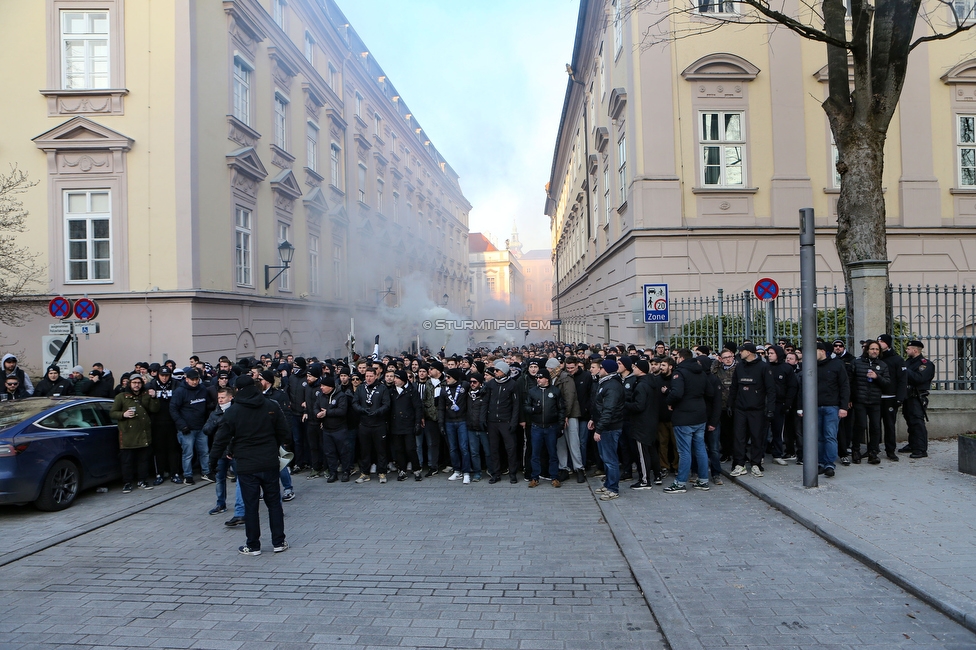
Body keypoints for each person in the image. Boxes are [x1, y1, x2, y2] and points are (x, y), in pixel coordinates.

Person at [210, 375, 290, 556]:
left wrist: (212, 461)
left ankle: (253, 545)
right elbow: (285, 433)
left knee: (251, 506)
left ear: (237, 390)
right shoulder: (271, 406)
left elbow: (220, 439)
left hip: (246, 465)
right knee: (274, 504)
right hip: (269, 462)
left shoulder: (233, 411)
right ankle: (279, 542)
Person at [664, 349, 716, 493]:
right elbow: (710, 392)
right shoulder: (701, 372)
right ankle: (703, 480)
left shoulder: (679, 372)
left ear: (680, 358)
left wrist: (669, 402)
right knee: (700, 448)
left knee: (684, 451)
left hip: (683, 416)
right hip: (700, 415)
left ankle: (680, 482)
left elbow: (677, 393)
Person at [797, 342, 850, 477]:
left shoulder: (837, 364)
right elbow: (803, 388)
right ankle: (820, 463)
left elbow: (844, 386)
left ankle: (829, 464)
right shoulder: (810, 366)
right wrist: (802, 407)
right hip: (814, 406)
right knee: (818, 437)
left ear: (822, 351)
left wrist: (843, 407)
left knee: (830, 436)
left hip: (832, 406)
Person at [728, 342, 775, 478]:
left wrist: (770, 409)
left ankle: (756, 464)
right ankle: (739, 464)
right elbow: (734, 387)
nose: (740, 353)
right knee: (739, 437)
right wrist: (731, 404)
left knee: (757, 437)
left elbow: (771, 390)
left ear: (748, 352)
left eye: (742, 351)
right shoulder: (739, 367)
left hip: (757, 409)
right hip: (741, 408)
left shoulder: (763, 367)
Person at [109, 374, 159, 493]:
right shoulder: (121, 397)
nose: (137, 385)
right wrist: (123, 414)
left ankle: (143, 480)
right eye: (134, 383)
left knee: (143, 460)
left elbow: (154, 409)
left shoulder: (145, 395)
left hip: (143, 434)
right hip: (128, 435)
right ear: (129, 383)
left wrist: (154, 398)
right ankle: (127, 483)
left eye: (139, 383)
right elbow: (112, 413)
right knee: (127, 462)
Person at [169, 368, 215, 485]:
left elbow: (207, 405)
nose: (195, 382)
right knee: (188, 453)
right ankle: (188, 475)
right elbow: (173, 409)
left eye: (196, 379)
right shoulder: (180, 392)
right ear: (186, 379)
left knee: (204, 451)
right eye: (192, 379)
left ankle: (206, 471)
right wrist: (182, 425)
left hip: (201, 427)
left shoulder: (202, 389)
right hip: (186, 429)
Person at [851, 340, 892, 464]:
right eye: (872, 349)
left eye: (877, 349)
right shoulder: (856, 363)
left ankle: (873, 452)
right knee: (860, 425)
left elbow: (887, 383)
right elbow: (850, 381)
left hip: (875, 401)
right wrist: (850, 399)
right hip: (860, 400)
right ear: (867, 350)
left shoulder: (883, 365)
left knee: (875, 427)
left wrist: (877, 377)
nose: (874, 351)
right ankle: (856, 450)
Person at [590, 359, 625, 500]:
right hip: (604, 426)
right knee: (605, 457)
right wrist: (594, 419)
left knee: (610, 459)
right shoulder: (605, 383)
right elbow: (599, 405)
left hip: (610, 428)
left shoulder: (612, 386)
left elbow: (608, 410)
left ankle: (613, 489)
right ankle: (608, 483)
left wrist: (599, 429)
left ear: (606, 370)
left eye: (600, 368)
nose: (597, 370)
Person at [524, 371, 564, 488]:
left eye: (540, 377)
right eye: (537, 378)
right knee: (535, 453)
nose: (538, 379)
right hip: (536, 426)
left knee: (552, 453)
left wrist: (560, 425)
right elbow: (526, 406)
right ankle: (534, 477)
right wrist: (533, 409)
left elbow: (561, 408)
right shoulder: (532, 392)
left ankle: (554, 477)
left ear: (547, 379)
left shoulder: (555, 391)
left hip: (551, 426)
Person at [484, 359, 522, 484]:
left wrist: (514, 422)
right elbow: (486, 402)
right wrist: (483, 418)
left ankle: (512, 473)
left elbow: (516, 405)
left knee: (510, 448)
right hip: (492, 421)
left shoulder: (513, 384)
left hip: (506, 421)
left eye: (497, 370)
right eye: (495, 370)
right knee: (494, 448)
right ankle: (496, 473)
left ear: (504, 372)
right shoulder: (491, 384)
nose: (495, 372)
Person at [352, 367, 391, 483]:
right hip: (364, 424)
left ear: (376, 376)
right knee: (364, 450)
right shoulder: (360, 388)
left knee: (381, 450)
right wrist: (362, 410)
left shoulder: (382, 388)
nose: (368, 378)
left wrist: (377, 412)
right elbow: (354, 403)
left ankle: (382, 473)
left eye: (370, 376)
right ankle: (365, 473)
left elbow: (387, 404)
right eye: (366, 376)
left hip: (379, 424)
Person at [203, 385, 235, 514]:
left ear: (230, 398)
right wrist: (216, 422)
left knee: (241, 478)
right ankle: (220, 503)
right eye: (219, 398)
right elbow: (206, 430)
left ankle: (244, 503)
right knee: (220, 478)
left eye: (223, 397)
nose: (220, 400)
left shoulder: (235, 411)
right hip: (220, 450)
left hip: (234, 450)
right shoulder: (215, 413)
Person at [147, 366, 182, 485]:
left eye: (167, 375)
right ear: (158, 375)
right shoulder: (151, 385)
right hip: (157, 424)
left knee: (173, 449)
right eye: (162, 375)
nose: (164, 378)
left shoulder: (176, 385)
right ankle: (160, 474)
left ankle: (175, 473)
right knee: (159, 450)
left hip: (172, 423)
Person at [901, 340, 935, 458]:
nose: (906, 350)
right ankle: (912, 444)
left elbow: (919, 378)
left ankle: (921, 449)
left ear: (915, 350)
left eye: (908, 349)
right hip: (908, 396)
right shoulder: (908, 362)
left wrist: (905, 370)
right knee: (910, 421)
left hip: (917, 397)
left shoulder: (925, 364)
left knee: (917, 422)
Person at [877, 334, 908, 461]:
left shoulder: (897, 360)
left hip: (890, 397)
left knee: (889, 425)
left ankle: (890, 450)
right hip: (876, 397)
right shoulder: (875, 357)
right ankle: (873, 449)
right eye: (878, 341)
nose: (879, 343)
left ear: (888, 344)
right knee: (874, 425)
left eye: (882, 341)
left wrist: (900, 398)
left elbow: (902, 380)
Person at [388, 370, 423, 481]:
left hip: (408, 424)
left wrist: (417, 423)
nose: (394, 380)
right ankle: (402, 469)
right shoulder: (391, 391)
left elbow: (418, 408)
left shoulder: (412, 390)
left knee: (410, 449)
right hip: (395, 424)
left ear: (403, 380)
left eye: (397, 378)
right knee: (399, 449)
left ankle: (416, 469)